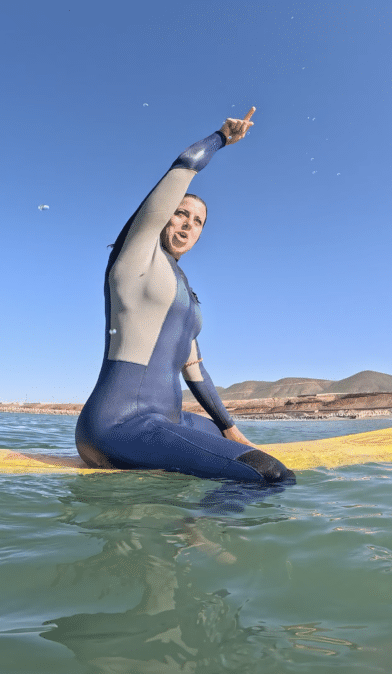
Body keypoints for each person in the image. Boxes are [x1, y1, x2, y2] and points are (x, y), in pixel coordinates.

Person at [75, 108, 294, 483]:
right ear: (164, 217)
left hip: (169, 418)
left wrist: (229, 429)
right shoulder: (136, 257)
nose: (188, 224)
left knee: (230, 439)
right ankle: (196, 532)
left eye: (197, 222)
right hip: (119, 425)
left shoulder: (185, 295)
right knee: (270, 475)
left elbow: (195, 370)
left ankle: (214, 469)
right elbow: (184, 165)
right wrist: (222, 138)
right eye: (180, 214)